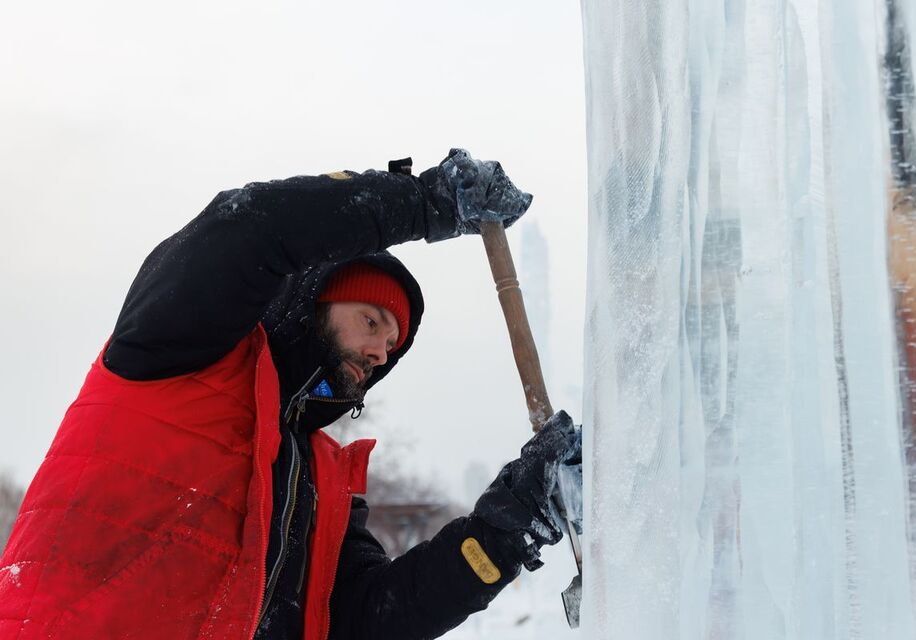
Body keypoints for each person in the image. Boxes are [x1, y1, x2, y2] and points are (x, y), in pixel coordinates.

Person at [0, 149, 582, 640]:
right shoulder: (180, 349)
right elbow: (247, 227)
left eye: (394, 343)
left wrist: (507, 528)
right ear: (312, 304)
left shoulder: (324, 480)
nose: (382, 352)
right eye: (373, 320)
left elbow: (371, 618)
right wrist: (423, 203)